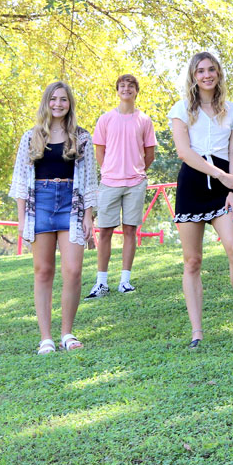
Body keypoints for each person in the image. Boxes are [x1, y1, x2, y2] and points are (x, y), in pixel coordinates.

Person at [168, 51, 233, 348]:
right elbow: (184, 152)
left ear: (218, 74)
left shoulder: (231, 109)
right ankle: (197, 332)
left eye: (211, 70)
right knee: (192, 260)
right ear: (194, 76)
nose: (207, 75)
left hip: (225, 187)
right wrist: (220, 175)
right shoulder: (181, 109)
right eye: (201, 71)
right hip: (193, 183)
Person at [10, 81, 98, 354]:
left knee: (73, 271)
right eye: (53, 99)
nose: (58, 104)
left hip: (70, 203)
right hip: (41, 203)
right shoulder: (31, 137)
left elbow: (90, 179)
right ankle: (46, 337)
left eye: (63, 99)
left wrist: (88, 217)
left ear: (69, 103)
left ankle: (67, 333)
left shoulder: (82, 138)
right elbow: (21, 181)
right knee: (43, 271)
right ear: (46, 102)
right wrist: (22, 219)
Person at [85, 74, 157, 298]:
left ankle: (125, 281)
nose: (126, 89)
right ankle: (101, 283)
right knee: (105, 231)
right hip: (109, 183)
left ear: (136, 91)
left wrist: (136, 170)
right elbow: (100, 151)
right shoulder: (106, 119)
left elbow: (150, 153)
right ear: (117, 91)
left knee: (130, 231)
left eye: (131, 86)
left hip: (135, 183)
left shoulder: (144, 120)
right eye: (122, 86)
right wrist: (111, 170)